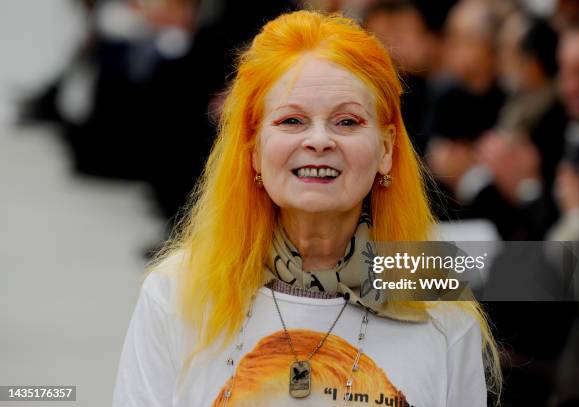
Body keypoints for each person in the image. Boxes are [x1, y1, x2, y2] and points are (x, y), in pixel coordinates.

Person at [112, 10, 501, 406]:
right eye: (292, 120)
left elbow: (562, 271)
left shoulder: (442, 310)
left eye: (347, 122)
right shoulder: (176, 294)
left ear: (386, 149)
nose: (319, 140)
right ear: (253, 149)